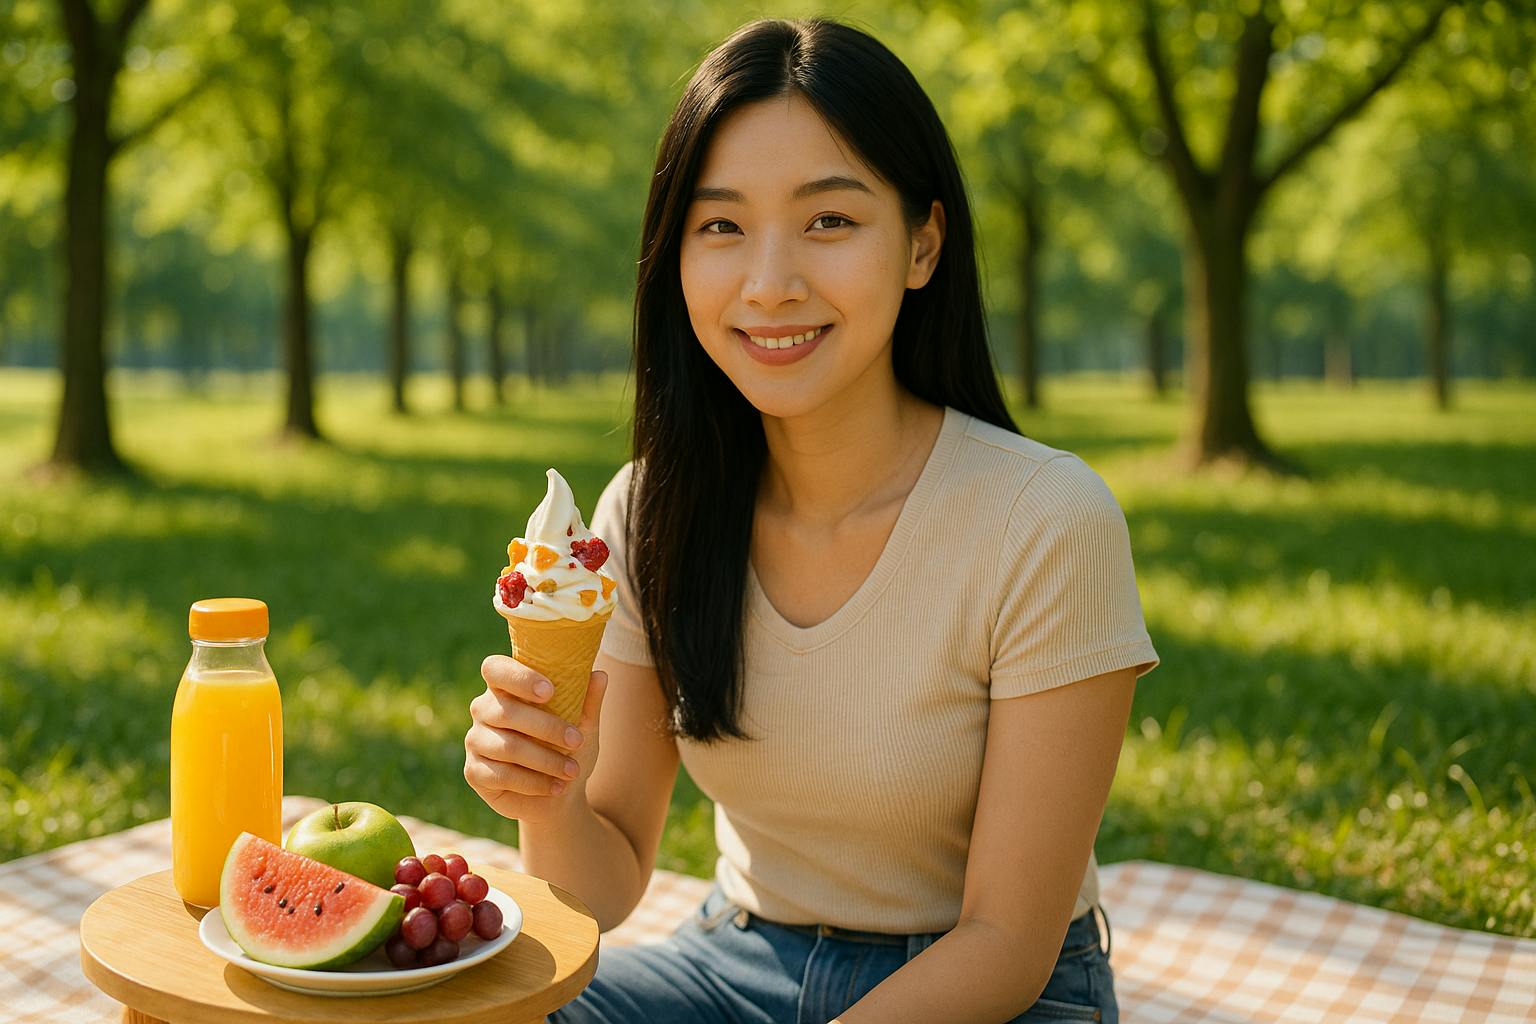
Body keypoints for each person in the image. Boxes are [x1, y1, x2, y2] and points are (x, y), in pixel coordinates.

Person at [464, 17, 1158, 1023]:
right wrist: (548, 796)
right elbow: (599, 889)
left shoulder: (1043, 519)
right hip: (732, 962)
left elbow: (1006, 944)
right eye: (721, 226)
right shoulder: (647, 513)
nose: (770, 282)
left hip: (985, 992)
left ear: (923, 242)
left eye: (829, 221)